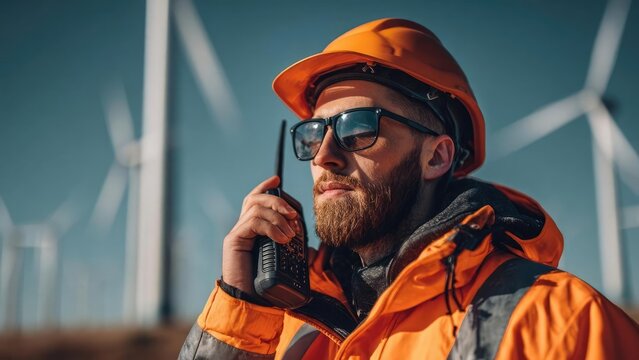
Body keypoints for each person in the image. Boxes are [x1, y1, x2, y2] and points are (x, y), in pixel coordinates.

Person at [179, 18, 639, 359]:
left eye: (359, 129)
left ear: (437, 156)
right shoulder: (283, 329)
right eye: (313, 133)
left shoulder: (564, 326)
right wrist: (239, 316)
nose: (323, 155)